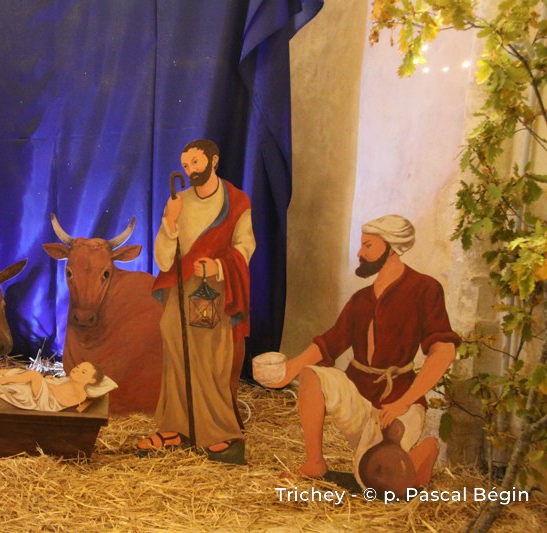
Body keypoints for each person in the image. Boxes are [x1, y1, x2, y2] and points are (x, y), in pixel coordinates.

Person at [257, 214, 460, 489]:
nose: (360, 253)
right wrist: (289, 369)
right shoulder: (361, 299)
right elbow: (330, 342)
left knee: (378, 481)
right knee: (311, 375)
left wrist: (404, 401)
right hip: (358, 394)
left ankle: (422, 452)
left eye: (368, 246)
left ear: (391, 247)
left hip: (398, 402)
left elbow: (444, 351)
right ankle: (314, 463)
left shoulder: (424, 289)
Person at [137, 139, 255, 464]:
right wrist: (171, 222)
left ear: (214, 160)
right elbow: (164, 260)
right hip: (180, 290)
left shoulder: (236, 202)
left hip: (213, 290)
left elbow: (245, 247)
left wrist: (217, 266)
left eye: (196, 162)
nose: (191, 170)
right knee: (176, 353)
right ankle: (175, 428)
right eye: (186, 165)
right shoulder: (179, 202)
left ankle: (221, 433)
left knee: (210, 359)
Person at [0, 360, 105, 411]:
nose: (76, 370)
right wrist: (50, 380)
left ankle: (3, 380)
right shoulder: (68, 380)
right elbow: (57, 382)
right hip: (46, 391)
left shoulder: (81, 394)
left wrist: (50, 388)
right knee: (24, 373)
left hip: (47, 402)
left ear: (92, 380)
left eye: (83, 372)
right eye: (78, 367)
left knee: (34, 375)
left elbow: (63, 401)